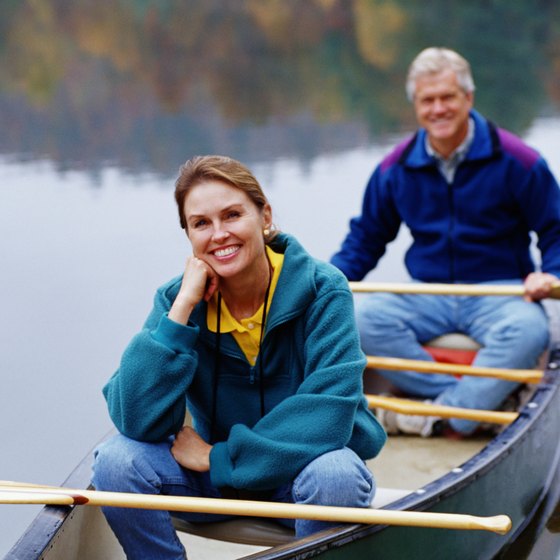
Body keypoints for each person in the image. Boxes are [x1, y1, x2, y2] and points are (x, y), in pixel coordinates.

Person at [92, 155, 386, 559]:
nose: (219, 234)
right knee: (115, 460)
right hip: (213, 480)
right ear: (189, 236)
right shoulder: (177, 299)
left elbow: (329, 414)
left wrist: (218, 457)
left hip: (300, 475)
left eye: (232, 215)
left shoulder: (324, 290)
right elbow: (135, 419)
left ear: (264, 215)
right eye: (201, 223)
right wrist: (181, 311)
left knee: (337, 474)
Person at [331, 47, 560, 438]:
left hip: (500, 293)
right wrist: (324, 285)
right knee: (358, 321)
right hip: (428, 293)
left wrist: (552, 274)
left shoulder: (519, 161)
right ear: (416, 105)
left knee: (529, 331)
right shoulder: (395, 168)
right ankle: (474, 405)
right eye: (428, 100)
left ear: (468, 98)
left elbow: (555, 231)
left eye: (447, 97)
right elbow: (366, 239)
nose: (438, 109)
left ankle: (442, 416)